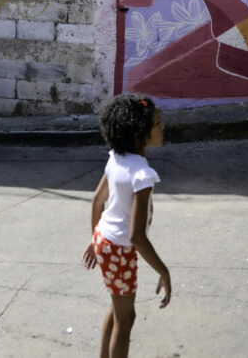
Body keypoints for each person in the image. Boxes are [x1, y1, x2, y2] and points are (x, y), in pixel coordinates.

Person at [82, 94, 171, 357]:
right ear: (138, 134)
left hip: (106, 242)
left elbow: (97, 201)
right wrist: (164, 272)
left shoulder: (116, 158)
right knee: (126, 319)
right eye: (156, 123)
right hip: (118, 250)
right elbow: (136, 236)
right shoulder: (142, 176)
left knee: (119, 309)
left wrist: (95, 238)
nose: (162, 127)